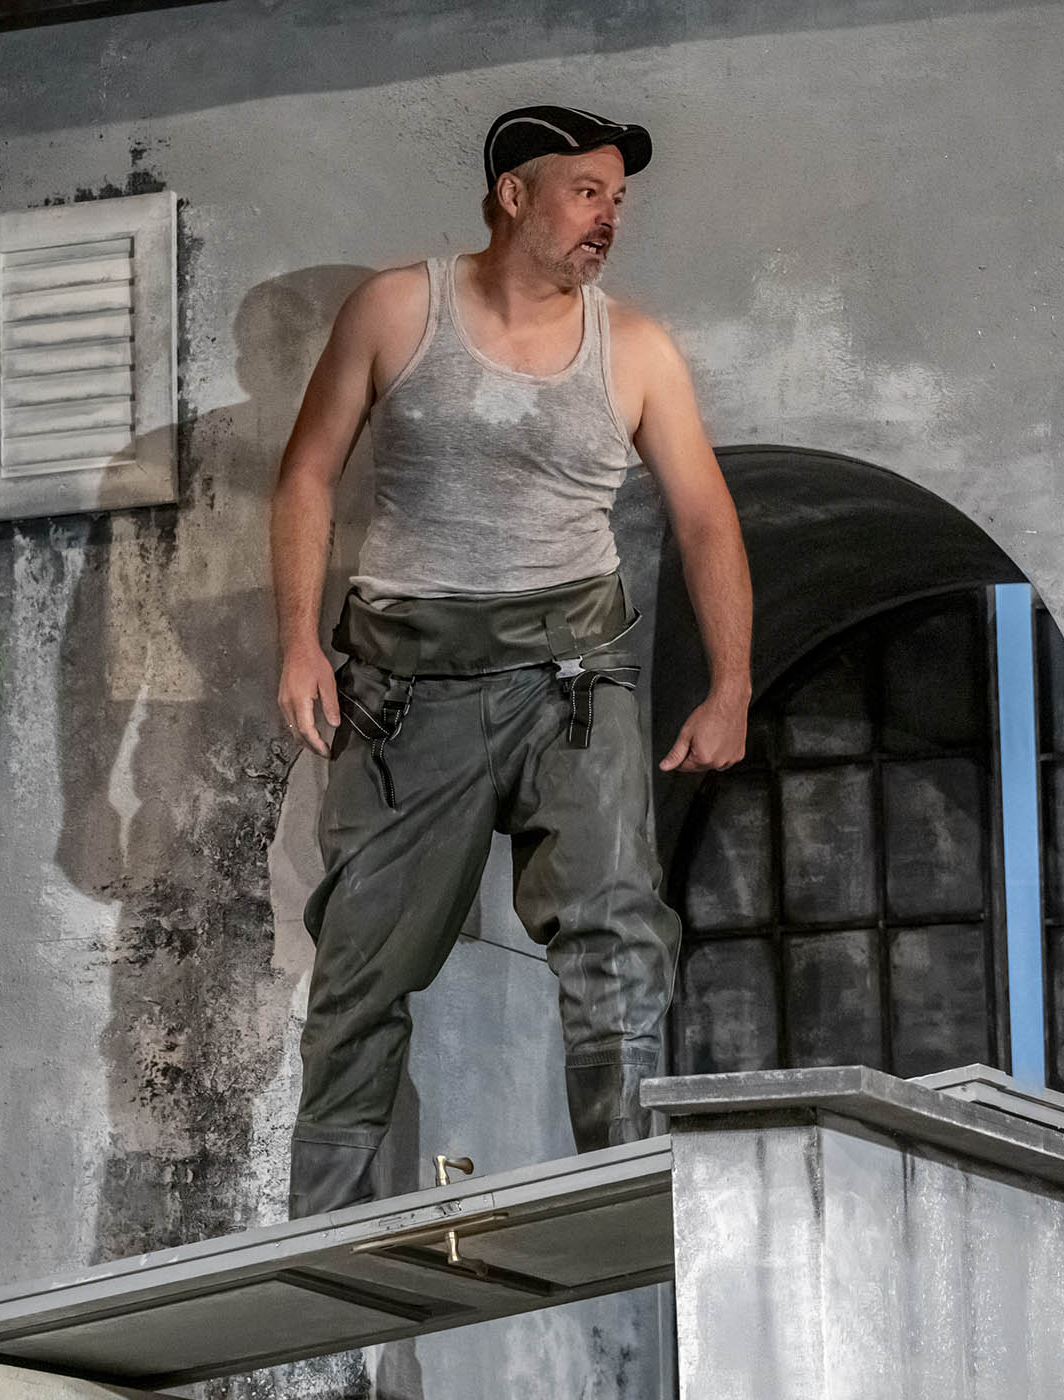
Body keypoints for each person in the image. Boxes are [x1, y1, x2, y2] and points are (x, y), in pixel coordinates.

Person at [269, 106, 753, 1217]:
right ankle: (325, 1236)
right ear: (513, 195)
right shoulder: (398, 309)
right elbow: (306, 475)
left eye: (616, 200)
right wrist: (297, 639)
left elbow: (707, 519)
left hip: (571, 683)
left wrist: (731, 685)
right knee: (359, 967)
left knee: (619, 937)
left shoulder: (636, 348)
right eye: (586, 192)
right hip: (405, 690)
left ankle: (628, 1204)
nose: (608, 218)